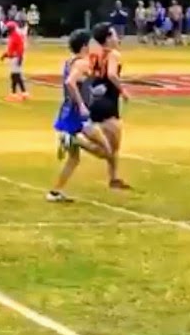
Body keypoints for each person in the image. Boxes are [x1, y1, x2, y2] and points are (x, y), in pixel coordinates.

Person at [46, 29, 113, 202]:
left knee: (74, 159)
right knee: (106, 151)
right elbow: (70, 82)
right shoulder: (82, 63)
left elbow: (78, 85)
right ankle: (74, 139)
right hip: (78, 117)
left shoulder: (71, 61)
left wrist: (93, 93)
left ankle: (54, 192)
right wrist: (83, 105)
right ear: (84, 46)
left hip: (68, 114)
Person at [89, 23, 131, 189]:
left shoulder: (95, 54)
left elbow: (91, 75)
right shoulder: (113, 54)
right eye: (113, 34)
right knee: (112, 147)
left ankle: (114, 179)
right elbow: (112, 74)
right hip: (109, 101)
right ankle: (76, 142)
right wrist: (123, 90)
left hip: (96, 99)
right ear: (107, 38)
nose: (116, 37)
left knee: (110, 146)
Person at [1, 20, 28, 102]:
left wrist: (19, 58)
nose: (6, 30)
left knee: (15, 76)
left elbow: (20, 48)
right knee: (17, 76)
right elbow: (11, 49)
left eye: (7, 28)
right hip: (14, 58)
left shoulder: (16, 36)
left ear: (11, 29)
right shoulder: (12, 36)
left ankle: (14, 94)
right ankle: (23, 93)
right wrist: (5, 55)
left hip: (16, 58)